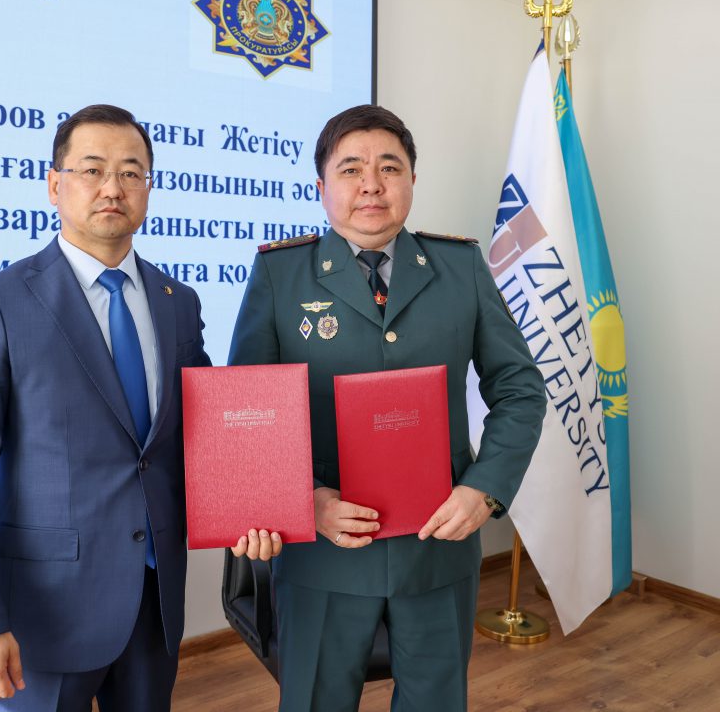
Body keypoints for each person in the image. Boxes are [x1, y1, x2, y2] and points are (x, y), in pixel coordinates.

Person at [0, 103, 281, 711]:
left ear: (148, 188)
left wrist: (254, 507)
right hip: (42, 613)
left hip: (154, 601)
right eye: (92, 170)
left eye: (131, 172)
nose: (112, 188)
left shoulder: (178, 302)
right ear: (54, 184)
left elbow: (202, 435)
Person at [228, 104, 546, 712]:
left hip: (439, 544)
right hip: (324, 552)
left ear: (412, 181)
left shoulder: (459, 267)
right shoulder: (279, 275)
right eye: (350, 169)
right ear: (321, 187)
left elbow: (520, 388)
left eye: (389, 168)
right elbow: (248, 416)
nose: (371, 184)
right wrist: (303, 501)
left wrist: (484, 489)